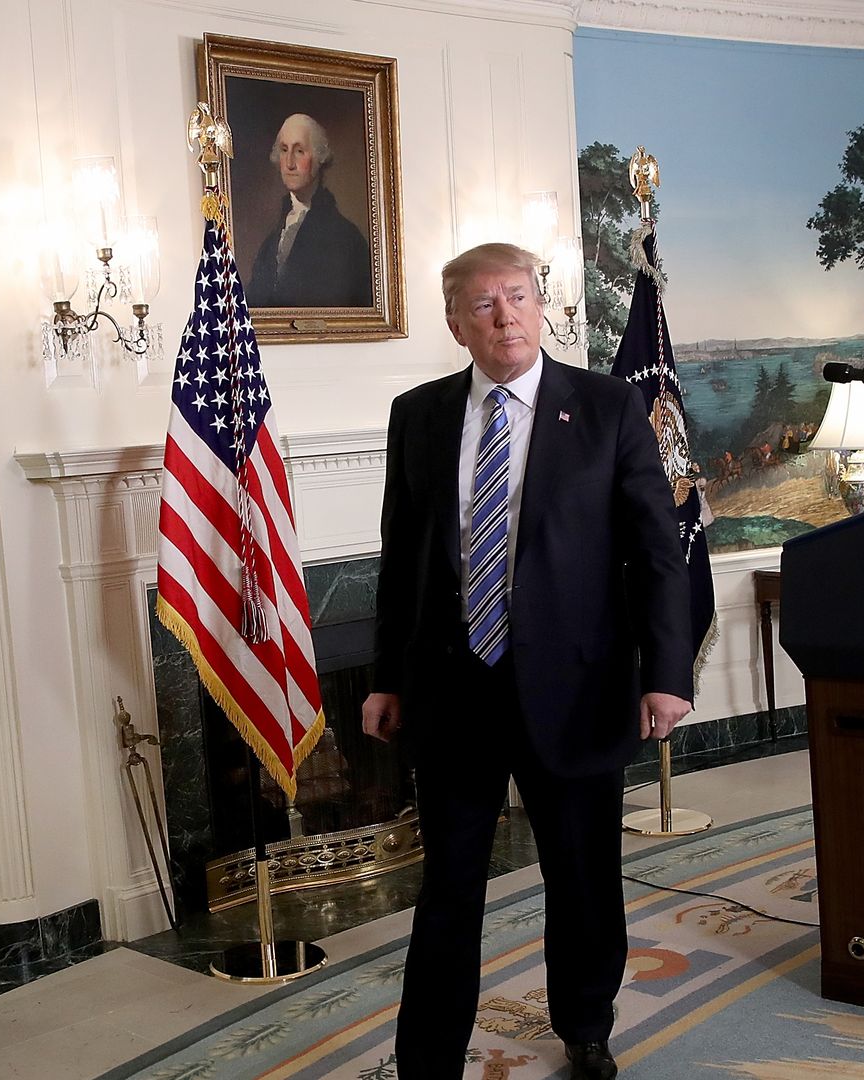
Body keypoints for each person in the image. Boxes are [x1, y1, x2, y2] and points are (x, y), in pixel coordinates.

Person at [363, 243, 692, 1080]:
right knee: (449, 889)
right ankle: (428, 1060)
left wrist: (667, 674)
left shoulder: (609, 406)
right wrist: (385, 678)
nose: (504, 316)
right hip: (454, 692)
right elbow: (401, 559)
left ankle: (585, 1027)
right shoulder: (418, 415)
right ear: (456, 323)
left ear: (541, 306)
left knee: (583, 879)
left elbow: (657, 551)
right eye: (483, 304)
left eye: (517, 296)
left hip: (578, 687)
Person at [243, 113, 372, 308]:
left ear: (319, 157)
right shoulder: (270, 243)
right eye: (284, 150)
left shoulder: (346, 239)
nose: (289, 163)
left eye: (299, 151)